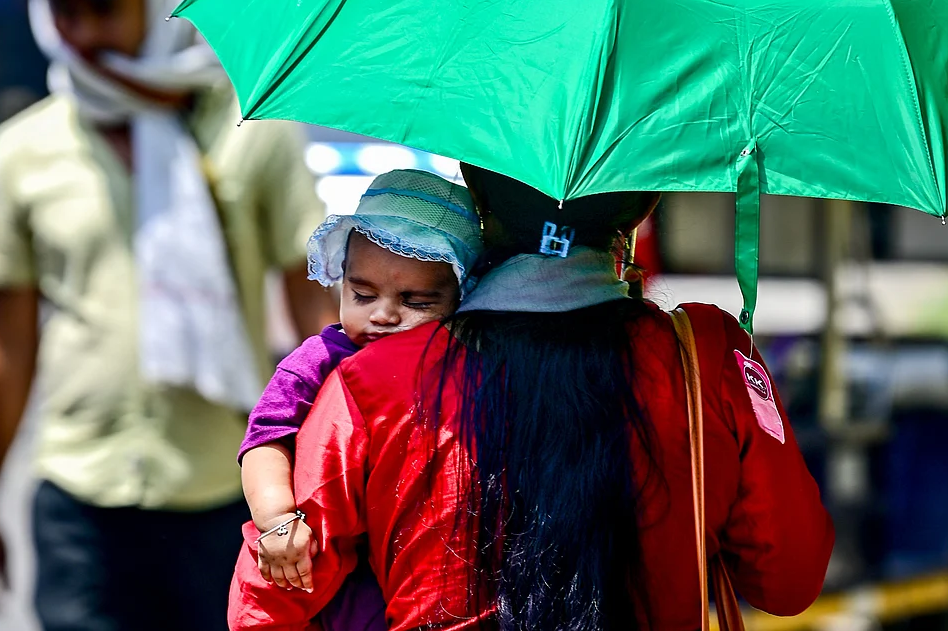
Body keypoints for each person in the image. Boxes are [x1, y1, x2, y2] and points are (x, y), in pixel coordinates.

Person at [228, 164, 835, 630]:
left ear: (478, 199)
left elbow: (266, 603)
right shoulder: (705, 355)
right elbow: (788, 579)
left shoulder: (371, 381)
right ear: (645, 206)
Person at [0, 0, 335, 629]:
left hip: (222, 492)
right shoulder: (24, 151)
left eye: (105, 6)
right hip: (81, 499)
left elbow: (316, 318)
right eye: (64, 9)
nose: (82, 30)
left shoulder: (252, 134)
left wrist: (319, 482)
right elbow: (9, 345)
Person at [240, 169, 482, 631]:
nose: (384, 314)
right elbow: (264, 440)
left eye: (418, 301)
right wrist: (275, 519)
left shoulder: (466, 366)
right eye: (362, 294)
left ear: (462, 300)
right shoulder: (320, 360)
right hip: (334, 572)